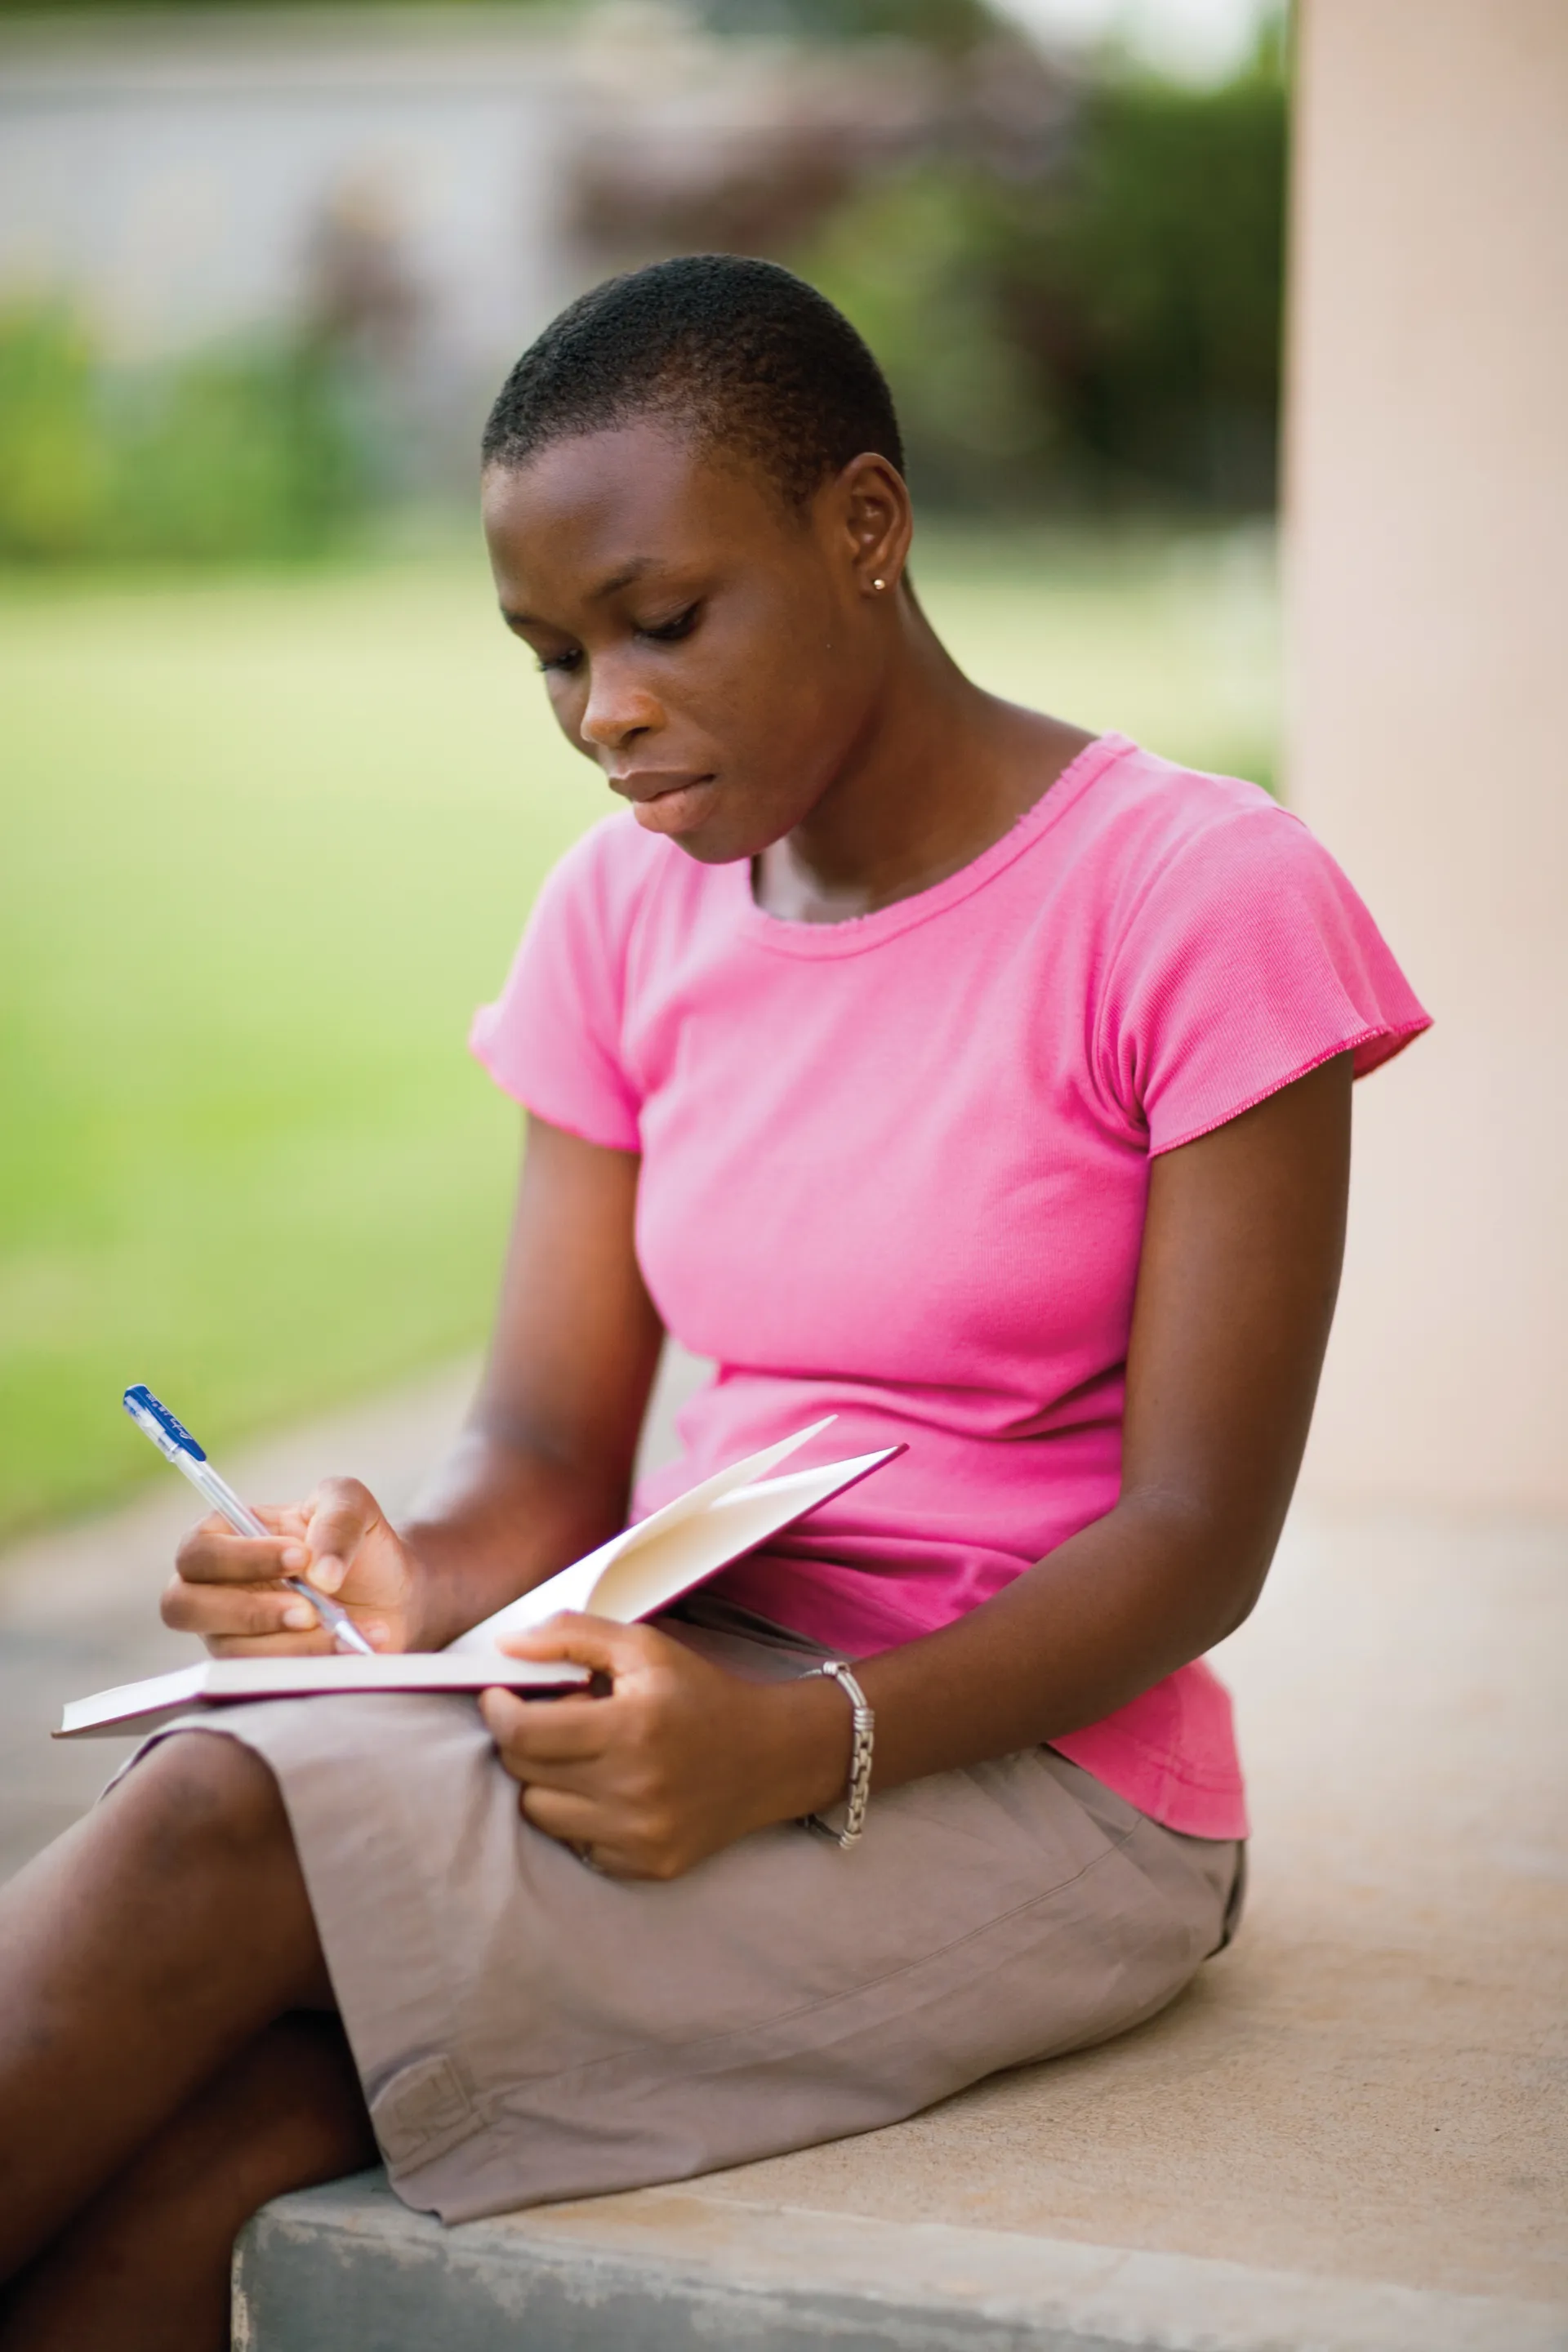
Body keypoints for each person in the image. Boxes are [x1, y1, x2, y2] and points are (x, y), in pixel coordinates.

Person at [0, 256, 1428, 2350]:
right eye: (550, 654)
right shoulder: (621, 911)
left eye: (660, 621)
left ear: (866, 526)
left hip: (1041, 1779)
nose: (605, 711)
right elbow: (546, 1454)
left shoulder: (1197, 900)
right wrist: (404, 1582)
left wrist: (791, 1748)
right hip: (675, 1685)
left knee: (225, 1832)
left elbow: (1199, 1541)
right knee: (239, 2090)